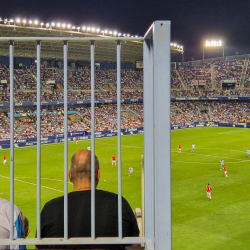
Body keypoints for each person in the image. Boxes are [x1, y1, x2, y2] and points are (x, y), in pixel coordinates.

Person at [36, 150, 139, 249]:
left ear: (70, 175)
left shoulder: (49, 210)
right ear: (98, 174)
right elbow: (136, 246)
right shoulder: (119, 204)